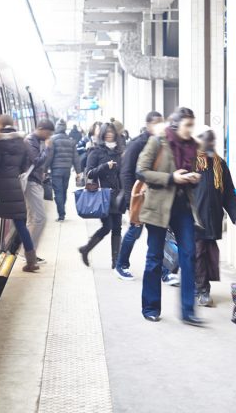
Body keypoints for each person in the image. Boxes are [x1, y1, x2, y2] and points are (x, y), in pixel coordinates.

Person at [136, 107, 204, 326]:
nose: (191, 129)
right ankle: (150, 307)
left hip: (183, 206)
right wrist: (171, 178)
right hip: (158, 206)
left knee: (189, 255)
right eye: (187, 125)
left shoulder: (194, 146)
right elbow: (141, 171)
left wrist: (194, 178)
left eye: (192, 125)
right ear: (175, 125)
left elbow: (197, 171)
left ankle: (188, 311)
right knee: (155, 258)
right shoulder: (158, 141)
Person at [193, 126, 236, 307]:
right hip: (194, 219)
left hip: (212, 218)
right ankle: (201, 290)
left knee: (208, 254)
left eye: (212, 140)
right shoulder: (189, 162)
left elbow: (228, 193)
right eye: (207, 140)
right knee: (199, 253)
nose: (211, 143)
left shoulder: (219, 164)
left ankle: (201, 287)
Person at [114, 111, 164, 280]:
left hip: (157, 196)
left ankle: (164, 271)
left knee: (159, 234)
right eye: (156, 123)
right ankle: (121, 265)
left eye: (162, 122)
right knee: (135, 230)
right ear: (148, 125)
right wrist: (131, 200)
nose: (160, 126)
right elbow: (126, 173)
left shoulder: (163, 142)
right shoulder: (137, 144)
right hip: (139, 195)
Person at [0, 114, 39, 272]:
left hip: (0, 187)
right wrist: (18, 172)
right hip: (16, 186)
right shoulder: (22, 141)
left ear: (0, 124)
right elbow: (30, 161)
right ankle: (31, 261)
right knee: (20, 224)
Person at [79, 122, 124, 269]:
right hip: (103, 195)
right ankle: (86, 249)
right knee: (107, 226)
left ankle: (116, 262)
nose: (109, 134)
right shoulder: (96, 151)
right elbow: (89, 173)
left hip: (117, 194)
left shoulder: (120, 151)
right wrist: (104, 167)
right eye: (107, 132)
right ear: (102, 134)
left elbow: (123, 173)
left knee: (117, 228)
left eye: (112, 132)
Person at [24, 119, 55, 253]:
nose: (49, 136)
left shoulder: (36, 141)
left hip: (35, 181)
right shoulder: (31, 141)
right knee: (40, 219)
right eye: (48, 133)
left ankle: (27, 251)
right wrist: (47, 148)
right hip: (31, 182)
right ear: (41, 129)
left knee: (32, 219)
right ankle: (29, 251)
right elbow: (36, 161)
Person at [48, 120, 82, 221]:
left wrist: (44, 169)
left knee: (58, 192)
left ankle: (61, 214)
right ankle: (62, 210)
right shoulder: (70, 140)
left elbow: (49, 156)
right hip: (67, 170)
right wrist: (78, 172)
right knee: (63, 191)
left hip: (56, 170)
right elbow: (76, 158)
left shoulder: (52, 139)